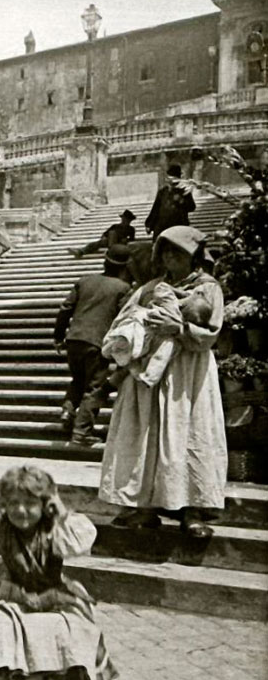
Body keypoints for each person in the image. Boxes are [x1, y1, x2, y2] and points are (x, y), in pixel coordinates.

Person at [0, 466, 118, 680]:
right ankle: (31, 678)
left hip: (55, 593)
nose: (21, 510)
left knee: (60, 626)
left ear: (45, 505)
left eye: (30, 504)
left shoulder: (54, 531)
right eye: (13, 503)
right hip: (17, 593)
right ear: (4, 505)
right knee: (9, 622)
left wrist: (61, 512)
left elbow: (82, 538)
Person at [99, 226, 227, 538]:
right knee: (147, 436)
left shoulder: (208, 289)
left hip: (188, 372)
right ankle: (145, 507)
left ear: (194, 256)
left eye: (178, 252)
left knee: (188, 434)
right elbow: (123, 321)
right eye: (166, 251)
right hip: (148, 374)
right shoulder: (149, 287)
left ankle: (192, 510)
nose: (170, 257)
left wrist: (178, 328)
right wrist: (138, 329)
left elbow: (212, 333)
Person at [53, 244, 132, 447]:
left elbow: (65, 309)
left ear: (105, 261)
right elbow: (125, 319)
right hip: (97, 344)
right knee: (95, 387)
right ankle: (82, 432)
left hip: (74, 340)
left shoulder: (84, 281)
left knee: (77, 380)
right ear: (124, 267)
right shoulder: (122, 288)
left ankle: (67, 411)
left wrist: (58, 336)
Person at [145, 164, 196, 241]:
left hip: (178, 226)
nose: (171, 183)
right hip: (162, 226)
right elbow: (156, 208)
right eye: (170, 179)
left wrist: (181, 201)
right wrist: (149, 224)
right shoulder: (162, 192)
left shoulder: (184, 191)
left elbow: (192, 207)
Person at [69, 209, 136, 259]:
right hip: (109, 241)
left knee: (112, 233)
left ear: (130, 221)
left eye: (127, 220)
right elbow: (105, 234)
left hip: (120, 243)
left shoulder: (131, 229)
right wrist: (104, 238)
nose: (125, 221)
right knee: (96, 243)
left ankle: (111, 251)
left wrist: (126, 240)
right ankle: (80, 252)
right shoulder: (115, 226)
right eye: (124, 219)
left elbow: (132, 240)